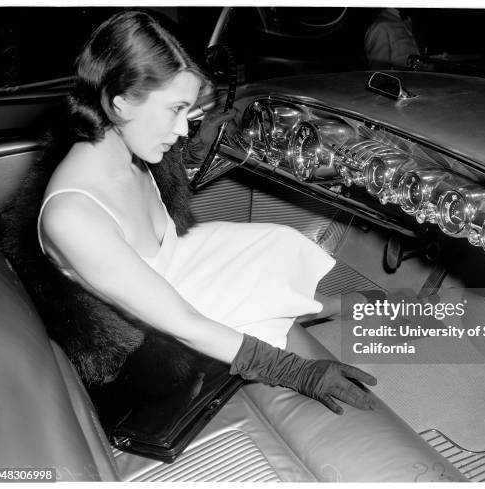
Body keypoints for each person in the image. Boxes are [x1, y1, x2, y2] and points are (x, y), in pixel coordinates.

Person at [36, 10, 376, 415]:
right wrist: (296, 371)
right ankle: (327, 312)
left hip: (171, 264)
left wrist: (202, 141)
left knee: (275, 241)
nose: (183, 129)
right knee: (242, 298)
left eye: (189, 113)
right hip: (156, 318)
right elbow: (182, 322)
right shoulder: (72, 215)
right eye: (175, 109)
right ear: (120, 101)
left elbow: (164, 217)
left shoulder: (127, 147)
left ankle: (326, 306)